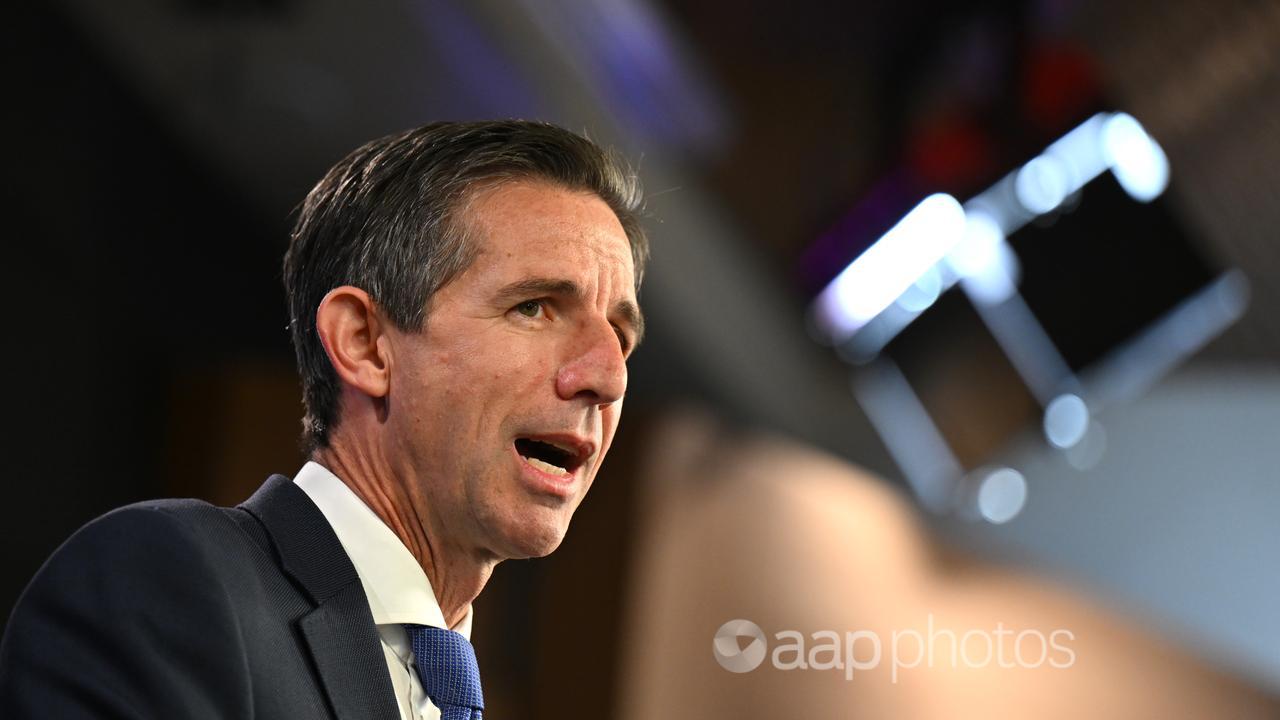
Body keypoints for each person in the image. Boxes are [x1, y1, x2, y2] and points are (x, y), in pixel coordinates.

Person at [0, 120, 648, 719]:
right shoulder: (171, 582)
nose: (608, 376)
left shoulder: (448, 688)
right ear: (366, 344)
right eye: (534, 307)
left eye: (620, 334)